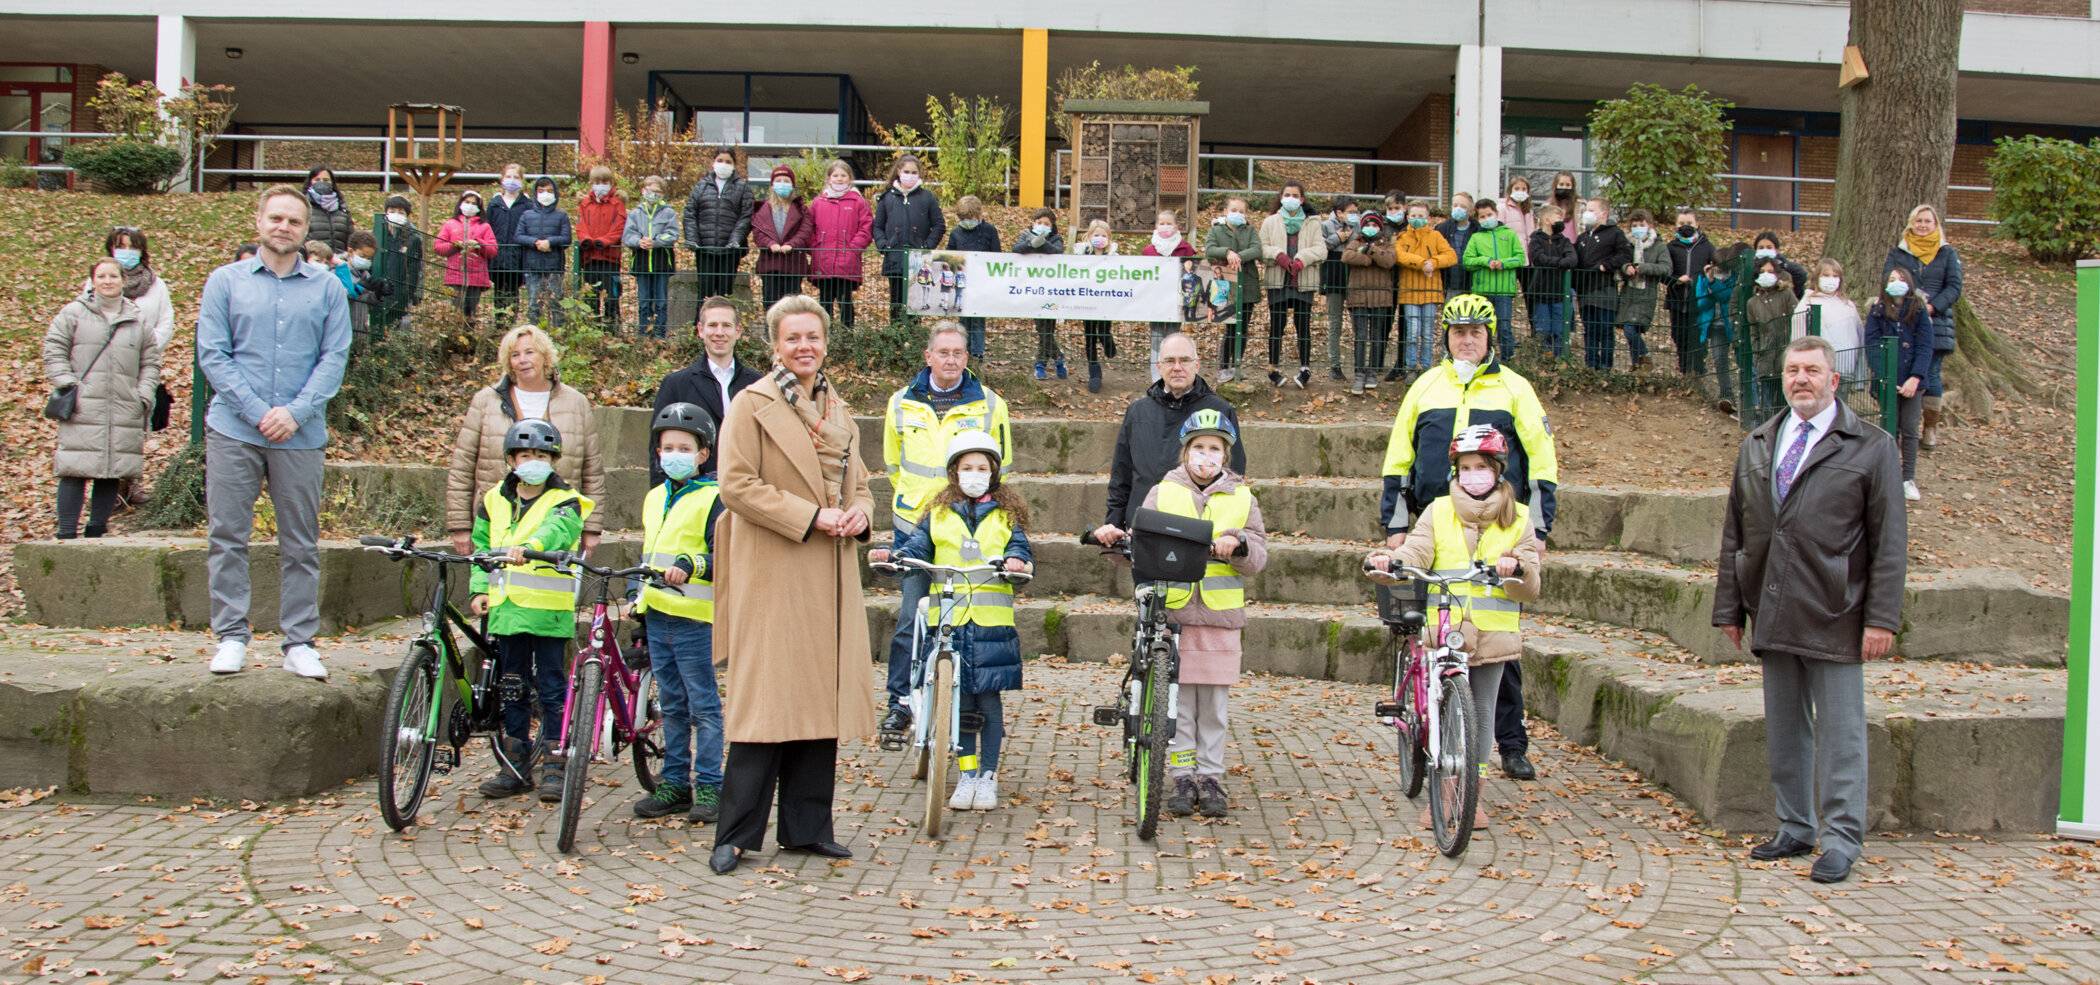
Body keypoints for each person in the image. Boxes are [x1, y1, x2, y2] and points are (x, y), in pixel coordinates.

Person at [1713, 335, 1904, 885]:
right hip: (1772, 606)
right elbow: (1736, 533)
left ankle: (1842, 837)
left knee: (1841, 733)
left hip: (1836, 609)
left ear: (1834, 379)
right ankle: (1795, 825)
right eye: (1793, 369)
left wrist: (1881, 618)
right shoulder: (1757, 442)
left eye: (1813, 371)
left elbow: (1889, 543)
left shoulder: (1869, 446)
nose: (1802, 379)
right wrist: (1729, 607)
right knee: (1785, 728)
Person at [709, 294, 877, 876]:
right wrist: (810, 517)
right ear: (774, 345)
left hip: (829, 571)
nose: (804, 347)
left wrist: (859, 514)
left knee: (817, 704)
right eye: (792, 339)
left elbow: (861, 485)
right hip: (776, 568)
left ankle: (808, 829)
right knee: (766, 704)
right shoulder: (750, 405)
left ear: (825, 341)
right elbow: (736, 486)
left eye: (813, 337)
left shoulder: (840, 411)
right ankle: (733, 836)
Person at [1380, 294, 1559, 780]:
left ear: (1489, 339)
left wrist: (1538, 529)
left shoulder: (1515, 388)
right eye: (1458, 332)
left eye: (1475, 333)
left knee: (1499, 641)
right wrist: (1396, 526)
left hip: (1500, 520)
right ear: (1446, 337)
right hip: (1433, 520)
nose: (1466, 340)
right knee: (1433, 629)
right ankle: (1429, 733)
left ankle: (1511, 742)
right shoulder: (1424, 385)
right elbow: (1398, 458)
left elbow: (1542, 461)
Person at [197, 184, 352, 680]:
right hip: (234, 430)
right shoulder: (225, 282)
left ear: (307, 230)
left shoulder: (327, 287)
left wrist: (296, 411)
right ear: (259, 222)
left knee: (301, 541)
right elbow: (214, 355)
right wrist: (259, 410)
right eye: (276, 218)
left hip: (300, 434)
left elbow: (335, 357)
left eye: (294, 221)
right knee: (227, 533)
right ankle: (231, 636)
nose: (284, 227)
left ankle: (300, 641)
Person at [1372, 423, 1543, 830]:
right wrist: (1390, 561)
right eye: (1465, 467)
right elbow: (1418, 548)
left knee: (1480, 713)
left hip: (1493, 633)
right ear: (1455, 471)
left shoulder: (1518, 518)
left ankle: (1470, 794)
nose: (1473, 475)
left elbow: (1531, 581)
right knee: (1441, 710)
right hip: (1445, 627)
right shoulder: (1438, 510)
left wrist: (1516, 567)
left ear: (1498, 470)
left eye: (1481, 466)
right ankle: (1440, 786)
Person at [869, 430, 1035, 812]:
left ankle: (989, 776)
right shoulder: (938, 513)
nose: (974, 474)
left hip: (991, 625)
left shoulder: (1007, 515)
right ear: (954, 473)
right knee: (957, 701)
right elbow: (916, 547)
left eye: (982, 468)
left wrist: (1016, 562)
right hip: (949, 619)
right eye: (967, 467)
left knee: (988, 701)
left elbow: (1020, 549)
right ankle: (967, 773)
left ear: (993, 474)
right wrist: (896, 557)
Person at [878, 322, 1014, 733]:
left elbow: (1000, 468)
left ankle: (964, 698)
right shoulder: (900, 403)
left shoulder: (990, 405)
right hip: (915, 525)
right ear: (928, 357)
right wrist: (919, 505)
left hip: (966, 528)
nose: (951, 359)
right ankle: (901, 700)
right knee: (911, 618)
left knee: (966, 618)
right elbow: (892, 464)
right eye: (943, 352)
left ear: (967, 358)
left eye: (958, 353)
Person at [1140, 410, 1268, 819]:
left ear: (1226, 456)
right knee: (1179, 704)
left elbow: (1259, 556)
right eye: (1199, 447)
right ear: (1185, 452)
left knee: (1213, 705)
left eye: (1214, 448)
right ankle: (1181, 775)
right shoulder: (1163, 492)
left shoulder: (1243, 498)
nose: (1206, 455)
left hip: (1219, 618)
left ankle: (1210, 776)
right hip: (1175, 614)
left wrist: (1240, 542)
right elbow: (1144, 543)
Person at [467, 419, 592, 801]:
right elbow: (480, 547)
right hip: (506, 611)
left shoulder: (566, 500)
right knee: (512, 688)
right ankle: (514, 764)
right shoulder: (493, 500)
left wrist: (533, 543)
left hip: (549, 613)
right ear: (511, 460)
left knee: (553, 689)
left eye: (541, 455)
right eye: (526, 455)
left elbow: (562, 530)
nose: (533, 461)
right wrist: (477, 589)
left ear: (553, 460)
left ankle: (555, 764)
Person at [630, 403, 728, 823]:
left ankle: (710, 785)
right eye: (667, 447)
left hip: (693, 617)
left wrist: (691, 564)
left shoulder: (715, 497)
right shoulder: (654, 497)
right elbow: (649, 549)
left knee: (702, 705)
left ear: (702, 453)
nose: (674, 454)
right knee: (670, 703)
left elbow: (721, 552)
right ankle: (674, 783)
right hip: (657, 612)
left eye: (683, 447)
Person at [445, 323, 606, 556]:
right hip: (497, 520)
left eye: (530, 352)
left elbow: (592, 469)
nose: (522, 360)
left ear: (545, 356)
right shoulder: (485, 401)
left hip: (557, 520)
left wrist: (591, 527)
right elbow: (463, 465)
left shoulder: (576, 403)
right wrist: (460, 525)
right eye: (515, 354)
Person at [1093, 332, 1248, 542]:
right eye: (1169, 361)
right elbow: (1121, 474)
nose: (1177, 367)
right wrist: (1114, 521)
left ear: (1197, 365)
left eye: (1184, 360)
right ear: (1159, 366)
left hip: (1195, 530)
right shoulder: (1138, 411)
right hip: (1143, 527)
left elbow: (1233, 474)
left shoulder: (1219, 411)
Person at [45, 257, 159, 539]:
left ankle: (97, 531)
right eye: (102, 276)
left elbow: (151, 362)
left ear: (123, 280)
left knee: (111, 469)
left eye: (113, 276)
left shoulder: (137, 320)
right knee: (74, 468)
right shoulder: (73, 313)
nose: (108, 281)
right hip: (84, 404)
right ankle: (67, 532)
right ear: (93, 281)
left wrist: (142, 394)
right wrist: (68, 384)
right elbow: (54, 349)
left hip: (123, 405)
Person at [652, 296, 760, 482]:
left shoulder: (758, 384)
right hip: (693, 491)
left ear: (738, 331)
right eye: (712, 325)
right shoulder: (676, 384)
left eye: (726, 325)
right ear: (700, 330)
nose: (719, 332)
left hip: (746, 488)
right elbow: (657, 450)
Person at [1882, 204, 1963, 451]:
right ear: (1911, 224)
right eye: (1919, 221)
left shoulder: (1947, 253)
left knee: (1931, 374)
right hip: (1905, 320)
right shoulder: (1899, 252)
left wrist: (1932, 307)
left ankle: (1929, 427)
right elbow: (1889, 278)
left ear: (1935, 224)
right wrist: (1909, 305)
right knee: (1901, 372)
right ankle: (1900, 428)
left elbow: (1954, 286)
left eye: (1928, 221)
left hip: (1936, 322)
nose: (1923, 225)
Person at [1867, 267, 1934, 501]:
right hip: (1887, 382)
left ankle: (1908, 478)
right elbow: (1872, 345)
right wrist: (1886, 376)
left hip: (1913, 383)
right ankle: (1889, 475)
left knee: (1910, 428)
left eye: (1901, 279)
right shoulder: (1877, 311)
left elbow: (1925, 346)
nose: (1897, 282)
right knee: (1888, 429)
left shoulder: (1917, 310)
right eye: (1892, 279)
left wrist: (1915, 378)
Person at [1258, 182, 1327, 388]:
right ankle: (1273, 368)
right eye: (1287, 194)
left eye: (1295, 195)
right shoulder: (1270, 221)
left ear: (1302, 199)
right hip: (1277, 280)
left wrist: (1302, 259)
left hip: (1303, 281)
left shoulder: (1313, 223)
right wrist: (1277, 255)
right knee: (1277, 325)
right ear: (1281, 197)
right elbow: (1261, 247)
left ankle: (1305, 368)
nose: (1291, 198)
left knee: (1303, 326)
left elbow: (1321, 250)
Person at [1391, 201, 1459, 384]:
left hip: (1430, 290)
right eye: (1413, 216)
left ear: (1428, 218)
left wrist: (1434, 263)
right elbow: (1399, 256)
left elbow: (1451, 255)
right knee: (1412, 333)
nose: (1417, 219)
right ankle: (1411, 368)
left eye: (1421, 216)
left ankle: (1427, 368)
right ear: (1408, 217)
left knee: (1428, 333)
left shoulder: (1436, 236)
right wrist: (1422, 263)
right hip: (1409, 290)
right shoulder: (1402, 237)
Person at [873, 153, 945, 324]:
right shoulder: (887, 198)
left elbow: (939, 225)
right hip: (895, 257)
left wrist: (926, 246)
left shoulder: (927, 198)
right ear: (899, 171)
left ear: (919, 174)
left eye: (914, 172)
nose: (910, 175)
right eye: (907, 171)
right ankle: (895, 338)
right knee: (896, 302)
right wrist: (884, 245)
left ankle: (912, 339)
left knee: (915, 303)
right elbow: (877, 226)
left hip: (918, 259)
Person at [684, 148, 754, 308]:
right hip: (705, 249)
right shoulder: (701, 186)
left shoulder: (743, 188)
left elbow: (746, 217)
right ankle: (699, 329)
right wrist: (693, 239)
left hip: (729, 251)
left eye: (728, 161)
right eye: (720, 160)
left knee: (725, 295)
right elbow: (690, 213)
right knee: (704, 294)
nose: (724, 164)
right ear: (713, 162)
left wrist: (735, 240)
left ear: (734, 165)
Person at [808, 159, 873, 329]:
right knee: (825, 300)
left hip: (847, 259)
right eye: (835, 175)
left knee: (845, 299)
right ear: (829, 178)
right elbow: (809, 227)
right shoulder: (818, 202)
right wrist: (816, 246)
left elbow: (866, 227)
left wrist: (853, 248)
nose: (839, 178)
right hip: (824, 259)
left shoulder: (858, 202)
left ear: (850, 178)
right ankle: (825, 334)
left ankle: (847, 334)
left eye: (843, 175)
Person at [1460, 200, 1525, 363]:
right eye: (1482, 216)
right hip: (1482, 291)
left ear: (1496, 213)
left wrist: (1503, 263)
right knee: (1482, 328)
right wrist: (1485, 261)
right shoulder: (1476, 237)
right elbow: (1467, 261)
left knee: (1504, 327)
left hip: (1504, 290)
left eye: (1489, 214)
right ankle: (1483, 360)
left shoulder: (1509, 234)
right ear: (1478, 218)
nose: (1486, 218)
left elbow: (1520, 258)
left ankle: (1507, 361)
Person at [1204, 198, 1262, 381]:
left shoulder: (1250, 230)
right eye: (1234, 209)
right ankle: (1223, 367)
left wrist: (1238, 256)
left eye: (1241, 210)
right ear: (1226, 211)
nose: (1238, 213)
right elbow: (1210, 250)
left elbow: (1257, 249)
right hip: (1225, 285)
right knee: (1229, 327)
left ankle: (1237, 365)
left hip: (1247, 285)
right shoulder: (1216, 230)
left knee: (1243, 328)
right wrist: (1227, 253)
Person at [1341, 208, 1397, 395]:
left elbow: (1389, 261)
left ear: (1380, 227)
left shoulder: (1387, 244)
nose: (1371, 228)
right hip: (1358, 297)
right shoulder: (1355, 241)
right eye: (1367, 224)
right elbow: (1347, 256)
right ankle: (1359, 374)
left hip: (1381, 297)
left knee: (1377, 336)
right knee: (1360, 336)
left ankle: (1372, 372)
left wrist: (1371, 250)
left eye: (1374, 225)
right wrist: (1367, 259)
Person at [94, 226, 174, 351]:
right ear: (111, 249)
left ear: (141, 251)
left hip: (144, 358)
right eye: (121, 247)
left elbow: (166, 323)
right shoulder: (97, 281)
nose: (127, 251)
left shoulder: (157, 285)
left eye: (132, 247)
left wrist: (146, 350)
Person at [1573, 197, 1630, 370]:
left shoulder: (1615, 233)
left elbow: (1625, 255)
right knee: (1590, 330)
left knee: (1605, 330)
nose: (1587, 214)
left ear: (1603, 213)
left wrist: (1607, 265)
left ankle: (1606, 366)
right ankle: (1591, 365)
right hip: (1585, 291)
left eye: (1591, 210)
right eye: (1586, 210)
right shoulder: (1582, 237)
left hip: (1605, 290)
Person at [1011, 208, 1068, 379]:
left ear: (1052, 226)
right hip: (1031, 289)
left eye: (1046, 224)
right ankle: (1058, 357)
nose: (1042, 226)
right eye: (1039, 222)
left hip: (1051, 290)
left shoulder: (1056, 239)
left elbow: (1057, 252)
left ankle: (1040, 364)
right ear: (1033, 222)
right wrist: (1031, 244)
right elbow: (1016, 248)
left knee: (1047, 328)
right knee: (1041, 329)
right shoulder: (1026, 235)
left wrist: (1042, 242)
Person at [1142, 209, 1197, 386]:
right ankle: (1156, 377)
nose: (1165, 226)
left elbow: (1194, 269)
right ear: (1156, 226)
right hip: (1155, 302)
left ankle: (1173, 373)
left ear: (1176, 226)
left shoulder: (1185, 248)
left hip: (1176, 302)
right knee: (1157, 338)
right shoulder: (1149, 250)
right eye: (1162, 223)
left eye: (1169, 223)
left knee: (1173, 337)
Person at [944, 195, 1002, 359]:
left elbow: (996, 255)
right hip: (962, 282)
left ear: (978, 215)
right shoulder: (956, 233)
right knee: (963, 318)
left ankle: (977, 353)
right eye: (963, 218)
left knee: (977, 319)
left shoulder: (989, 231)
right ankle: (962, 350)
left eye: (970, 218)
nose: (967, 221)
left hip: (981, 283)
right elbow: (950, 254)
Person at [1615, 209, 1671, 372]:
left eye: (1641, 225)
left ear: (1650, 226)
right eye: (1634, 225)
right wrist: (1627, 268)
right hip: (1628, 294)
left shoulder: (1659, 246)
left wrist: (1643, 268)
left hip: (1646, 294)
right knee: (1629, 330)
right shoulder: (1627, 244)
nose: (1637, 228)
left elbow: (1666, 268)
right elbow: (1621, 262)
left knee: (1631, 329)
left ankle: (1644, 357)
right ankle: (1638, 365)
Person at [624, 175, 680, 338]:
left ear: (662, 194)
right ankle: (643, 335)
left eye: (657, 191)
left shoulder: (668, 213)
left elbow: (672, 233)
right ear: (643, 190)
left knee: (661, 302)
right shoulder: (635, 213)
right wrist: (639, 241)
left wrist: (655, 242)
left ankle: (660, 335)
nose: (653, 194)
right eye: (650, 190)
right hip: (641, 263)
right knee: (643, 302)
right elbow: (628, 236)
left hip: (661, 262)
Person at [752, 164, 813, 311]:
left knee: (792, 306)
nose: (782, 184)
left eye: (786, 181)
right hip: (770, 264)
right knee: (770, 303)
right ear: (772, 185)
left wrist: (792, 244)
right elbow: (758, 232)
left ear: (792, 185)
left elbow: (805, 231)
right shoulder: (762, 209)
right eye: (778, 180)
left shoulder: (801, 209)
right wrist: (769, 243)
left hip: (793, 264)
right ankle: (770, 333)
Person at [1064, 219, 1119, 381]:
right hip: (1086, 302)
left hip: (1105, 302)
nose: (1100, 238)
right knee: (1089, 336)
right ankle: (1094, 372)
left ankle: (1109, 346)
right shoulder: (1081, 255)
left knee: (1103, 331)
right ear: (1089, 236)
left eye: (1103, 235)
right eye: (1096, 235)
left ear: (1108, 238)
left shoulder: (1114, 256)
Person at [514, 177, 572, 326]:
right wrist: (535, 243)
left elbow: (566, 239)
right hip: (532, 267)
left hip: (554, 266)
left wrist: (550, 242)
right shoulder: (527, 215)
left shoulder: (561, 215)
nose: (545, 194)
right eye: (541, 191)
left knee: (556, 303)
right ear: (535, 193)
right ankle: (534, 332)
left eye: (549, 191)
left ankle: (558, 334)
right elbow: (519, 236)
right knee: (534, 303)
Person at [1793, 258, 1863, 381]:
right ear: (1817, 277)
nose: (1831, 279)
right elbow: (1797, 340)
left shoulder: (1848, 305)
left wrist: (1859, 376)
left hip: (1845, 371)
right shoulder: (1806, 303)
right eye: (1826, 275)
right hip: (1817, 373)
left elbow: (1860, 337)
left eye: (1835, 276)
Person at [435, 189, 498, 324]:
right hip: (455, 276)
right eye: (467, 202)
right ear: (461, 203)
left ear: (479, 208)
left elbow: (493, 250)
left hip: (476, 277)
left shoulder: (485, 226)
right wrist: (454, 246)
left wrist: (479, 244)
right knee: (455, 311)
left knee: (470, 313)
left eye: (473, 203)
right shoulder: (450, 224)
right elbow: (438, 246)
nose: (470, 205)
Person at [1667, 208, 1716, 376]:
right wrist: (1676, 280)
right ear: (1675, 225)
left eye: (1689, 223)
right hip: (1677, 301)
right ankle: (1685, 370)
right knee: (1679, 336)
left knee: (1698, 337)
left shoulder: (1707, 247)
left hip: (1700, 301)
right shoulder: (1671, 247)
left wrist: (1709, 274)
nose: (1685, 226)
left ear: (1697, 224)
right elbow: (1664, 273)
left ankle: (1699, 368)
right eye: (1681, 223)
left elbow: (1717, 268)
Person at [1523, 206, 1577, 360]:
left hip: (1560, 292)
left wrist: (1554, 263)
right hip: (1541, 291)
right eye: (1558, 218)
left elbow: (1573, 259)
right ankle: (1545, 360)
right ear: (1547, 220)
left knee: (1560, 330)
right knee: (1543, 330)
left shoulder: (1564, 241)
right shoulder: (1535, 240)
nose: (1561, 222)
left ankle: (1561, 360)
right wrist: (1561, 262)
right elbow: (1539, 259)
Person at [576, 165, 626, 328]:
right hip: (590, 256)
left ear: (611, 182)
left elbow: (619, 226)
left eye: (604, 181)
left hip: (610, 257)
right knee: (591, 296)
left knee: (612, 295)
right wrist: (586, 239)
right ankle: (592, 327)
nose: (601, 185)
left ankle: (612, 327)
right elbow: (580, 225)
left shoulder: (617, 203)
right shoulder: (585, 204)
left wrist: (605, 241)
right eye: (597, 181)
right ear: (591, 183)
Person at [1748, 258, 1799, 412]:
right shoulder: (1752, 303)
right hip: (1765, 358)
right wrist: (1758, 351)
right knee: (1767, 405)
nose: (1766, 275)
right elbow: (1754, 332)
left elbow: (1797, 319)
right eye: (1763, 272)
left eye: (1770, 272)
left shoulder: (1786, 294)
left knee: (1784, 403)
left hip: (1785, 355)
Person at [1698, 244, 1745, 411]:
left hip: (1732, 324)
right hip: (1716, 327)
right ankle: (1726, 395)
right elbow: (1701, 302)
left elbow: (1727, 297)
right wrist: (1709, 282)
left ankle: (1746, 397)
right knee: (1719, 359)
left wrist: (1713, 286)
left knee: (1742, 360)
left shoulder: (1734, 278)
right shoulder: (1704, 278)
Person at [1320, 195, 1360, 383]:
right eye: (1350, 212)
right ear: (1339, 212)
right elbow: (1321, 248)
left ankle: (1359, 364)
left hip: (1353, 278)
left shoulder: (1359, 226)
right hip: (1334, 277)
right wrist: (1338, 237)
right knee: (1335, 323)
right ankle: (1334, 365)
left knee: (1357, 323)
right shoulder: (1326, 226)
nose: (1354, 216)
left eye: (1355, 212)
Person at [373, 195, 425, 330]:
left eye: (401, 212)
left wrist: (412, 295)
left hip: (399, 291)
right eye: (392, 211)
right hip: (377, 289)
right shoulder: (377, 235)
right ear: (386, 212)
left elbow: (415, 270)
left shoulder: (413, 239)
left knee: (394, 325)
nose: (396, 215)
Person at [487, 163, 531, 318]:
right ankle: (498, 323)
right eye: (508, 176)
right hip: (497, 255)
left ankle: (511, 322)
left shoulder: (527, 205)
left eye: (516, 177)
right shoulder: (494, 204)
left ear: (522, 180)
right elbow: (488, 228)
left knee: (513, 291)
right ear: (502, 179)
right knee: (499, 291)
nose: (512, 180)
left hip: (517, 256)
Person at [301, 166, 353, 254]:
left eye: (326, 180)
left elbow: (351, 241)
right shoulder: (303, 209)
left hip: (340, 262)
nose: (322, 183)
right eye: (317, 180)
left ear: (332, 183)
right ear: (310, 182)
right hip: (313, 263)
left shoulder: (343, 211)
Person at [1435, 192, 1476, 298]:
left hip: (1471, 283)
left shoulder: (1477, 229)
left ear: (1470, 211)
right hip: (1450, 281)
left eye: (1463, 206)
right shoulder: (1442, 228)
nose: (1458, 208)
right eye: (1455, 205)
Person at [1751, 231, 1810, 300]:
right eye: (1761, 248)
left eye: (1769, 247)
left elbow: (1800, 274)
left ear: (1776, 250)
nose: (1765, 250)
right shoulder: (1750, 267)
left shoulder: (1784, 266)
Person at [1546, 172, 1580, 246]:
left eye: (1568, 185)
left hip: (1574, 246)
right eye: (1561, 184)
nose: (1564, 187)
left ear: (1573, 187)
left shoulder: (1580, 205)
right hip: (1554, 246)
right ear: (1555, 186)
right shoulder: (1548, 206)